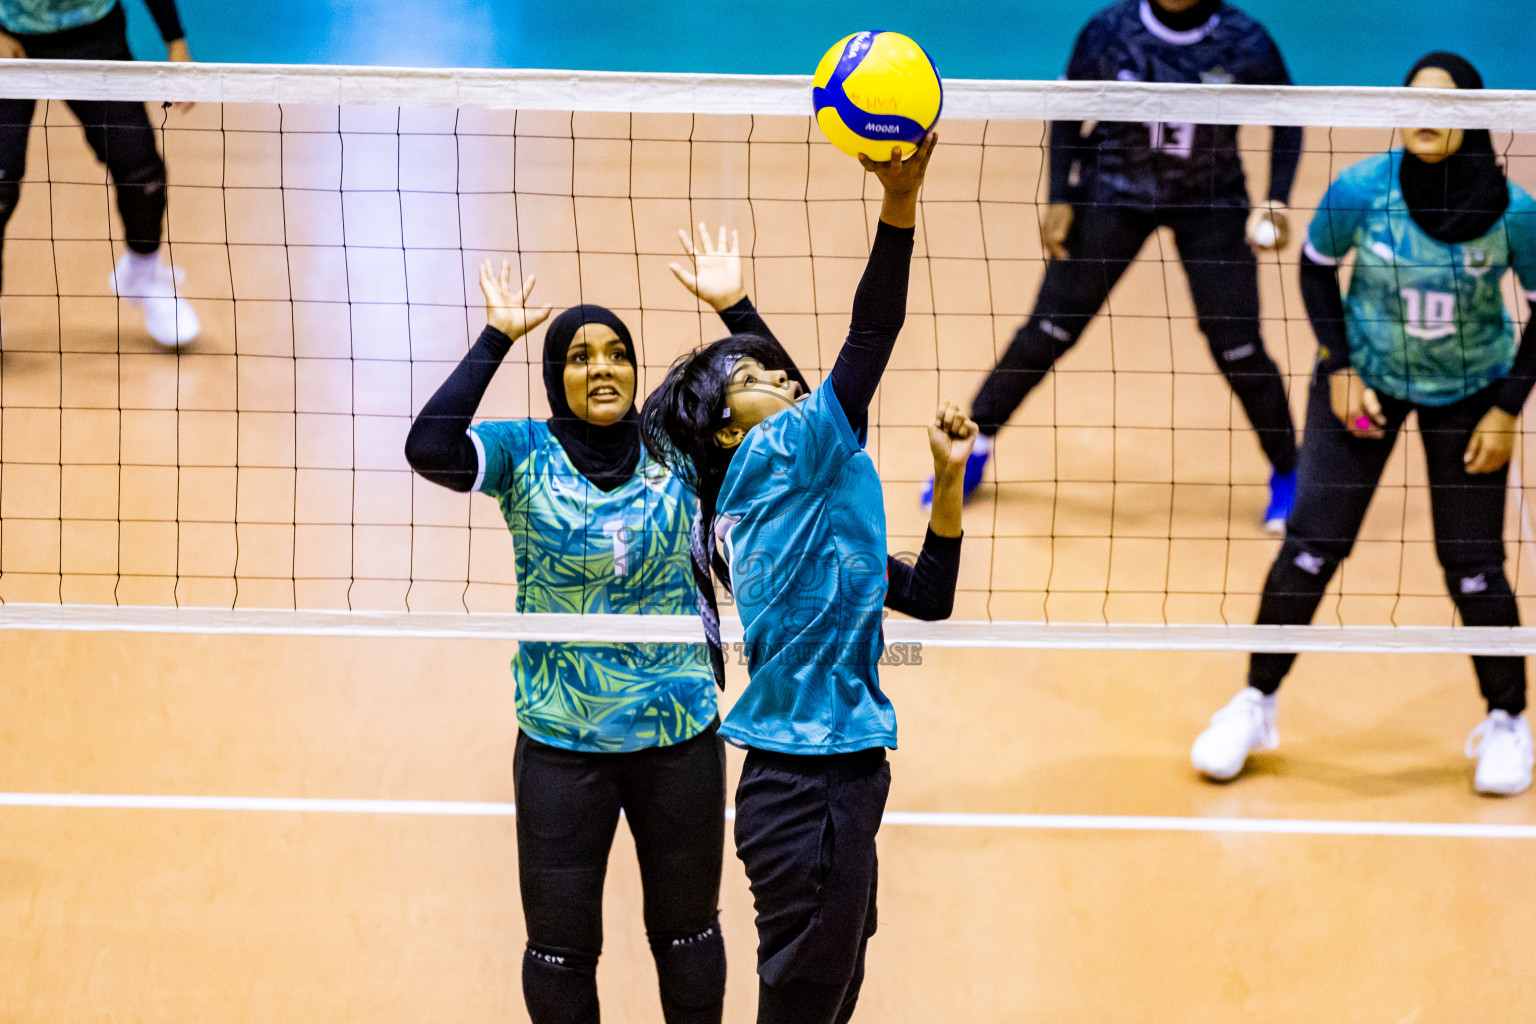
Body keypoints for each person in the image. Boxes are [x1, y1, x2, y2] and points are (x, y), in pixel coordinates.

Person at [643, 134, 974, 1023]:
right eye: (752, 377)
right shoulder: (779, 459)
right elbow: (868, 341)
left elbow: (930, 598)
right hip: (809, 788)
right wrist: (898, 204)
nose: (781, 377)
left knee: (828, 999)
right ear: (727, 433)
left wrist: (948, 485)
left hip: (835, 778)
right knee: (804, 1006)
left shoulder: (787, 495)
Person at [402, 249, 781, 1023]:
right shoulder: (521, 452)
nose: (602, 369)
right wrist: (495, 338)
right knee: (558, 952)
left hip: (677, 732)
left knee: (688, 937)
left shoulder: (677, 442)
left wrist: (738, 308)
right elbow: (429, 449)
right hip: (560, 743)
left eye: (617, 354)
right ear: (555, 375)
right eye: (579, 357)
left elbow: (794, 417)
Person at [1190, 53, 1536, 796]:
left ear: (1474, 117)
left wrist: (1508, 407)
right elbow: (1316, 269)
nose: (1425, 118)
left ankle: (1508, 719)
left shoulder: (1515, 213)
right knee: (1312, 547)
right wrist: (1339, 365)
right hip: (1364, 381)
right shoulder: (1361, 191)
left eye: (1444, 108)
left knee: (1473, 566)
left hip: (1472, 392)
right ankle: (1256, 703)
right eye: (1414, 103)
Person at [928, 0, 1301, 533]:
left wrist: (1277, 200)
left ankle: (1290, 473)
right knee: (1049, 330)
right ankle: (974, 446)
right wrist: (1060, 196)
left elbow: (1292, 119)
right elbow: (1065, 109)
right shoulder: (1109, 30)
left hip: (1210, 199)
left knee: (1238, 347)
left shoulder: (1245, 39)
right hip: (1113, 192)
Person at [0, 0, 199, 347]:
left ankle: (142, 277)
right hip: (12, 40)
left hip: (95, 37)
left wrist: (176, 41)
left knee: (142, 174)